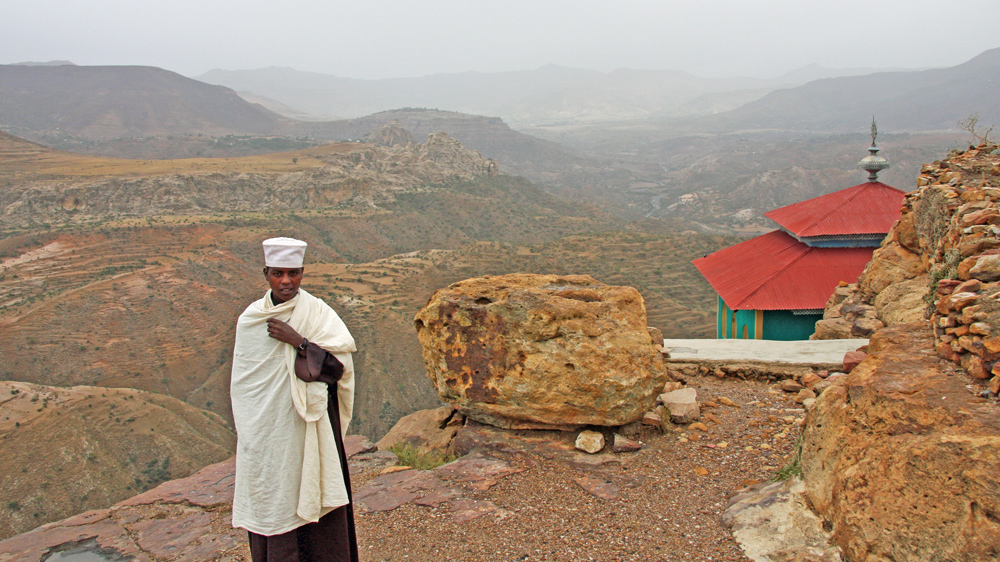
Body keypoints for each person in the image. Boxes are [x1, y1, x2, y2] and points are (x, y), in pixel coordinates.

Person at [230, 237, 359, 562]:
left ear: (302, 273)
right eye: (277, 273)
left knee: (317, 505)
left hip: (310, 431)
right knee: (277, 500)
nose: (285, 281)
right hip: (270, 435)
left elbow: (337, 370)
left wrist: (300, 343)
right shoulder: (251, 321)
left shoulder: (317, 315)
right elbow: (245, 388)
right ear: (266, 273)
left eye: (293, 273)